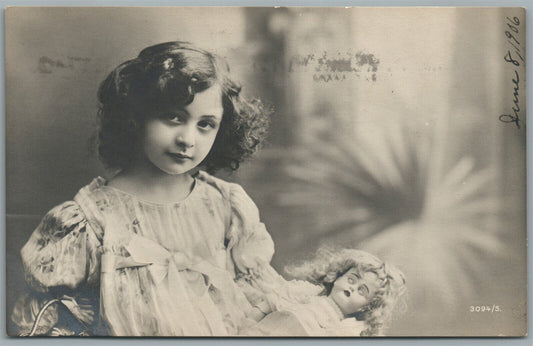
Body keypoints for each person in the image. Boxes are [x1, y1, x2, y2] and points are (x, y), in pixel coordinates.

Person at [11, 41, 279, 336]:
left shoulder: (226, 206)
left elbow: (259, 301)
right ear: (136, 115)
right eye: (174, 117)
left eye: (205, 124)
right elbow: (46, 324)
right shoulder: (89, 222)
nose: (188, 139)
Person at [241, 248, 407, 336]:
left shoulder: (348, 327)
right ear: (337, 277)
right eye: (352, 279)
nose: (353, 288)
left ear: (366, 308)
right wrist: (249, 321)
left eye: (362, 291)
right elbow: (270, 301)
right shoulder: (310, 293)